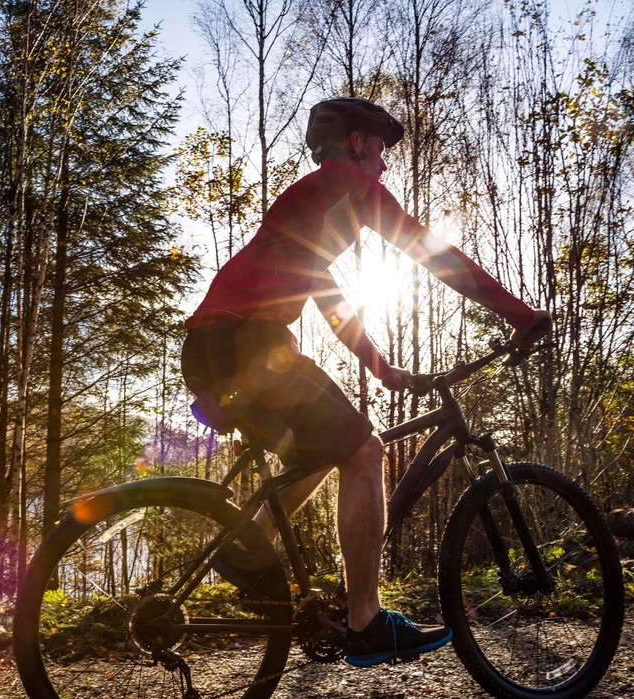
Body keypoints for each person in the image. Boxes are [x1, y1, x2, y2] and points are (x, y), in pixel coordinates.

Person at [180, 97, 551, 667]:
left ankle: (244, 547)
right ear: (356, 142)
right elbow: (434, 255)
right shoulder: (346, 187)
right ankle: (365, 619)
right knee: (364, 450)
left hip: (218, 346)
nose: (384, 164)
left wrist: (381, 368)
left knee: (328, 448)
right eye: (379, 147)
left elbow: (328, 297)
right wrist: (518, 314)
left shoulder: (316, 207)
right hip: (245, 342)